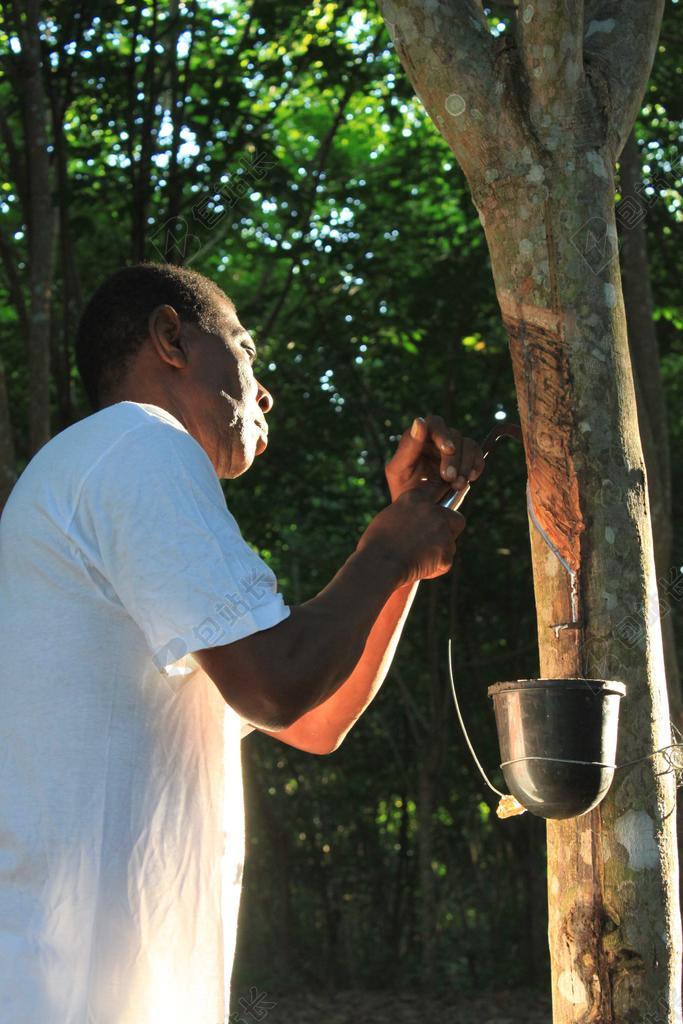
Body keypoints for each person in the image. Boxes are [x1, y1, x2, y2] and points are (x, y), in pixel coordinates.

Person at [0, 262, 484, 1024]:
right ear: (170, 338)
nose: (263, 391)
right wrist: (387, 552)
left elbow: (314, 719)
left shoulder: (113, 475)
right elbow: (275, 684)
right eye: (245, 349)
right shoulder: (137, 443)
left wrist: (405, 543)